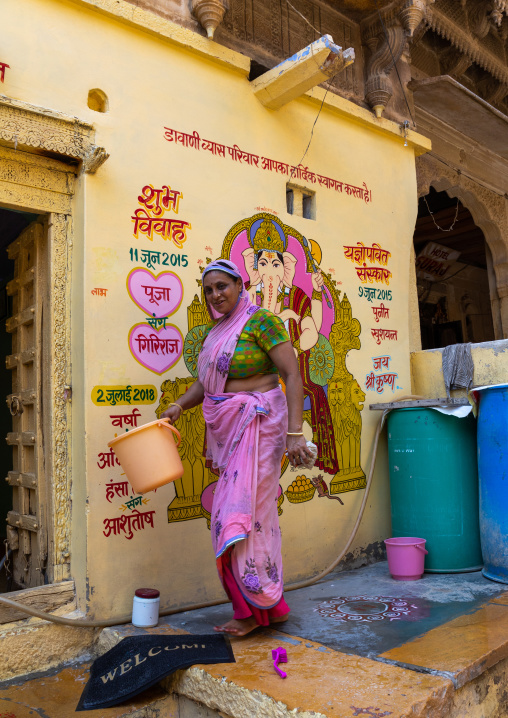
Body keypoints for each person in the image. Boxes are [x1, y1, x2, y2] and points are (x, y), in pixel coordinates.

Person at [162, 258, 310, 636]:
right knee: (247, 519)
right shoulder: (216, 332)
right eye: (209, 289)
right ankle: (271, 608)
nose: (215, 294)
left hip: (260, 425)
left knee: (236, 517)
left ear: (239, 285)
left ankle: (248, 613)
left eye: (222, 286)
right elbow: (207, 384)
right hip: (233, 431)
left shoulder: (261, 321)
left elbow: (292, 374)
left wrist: (295, 433)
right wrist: (179, 406)